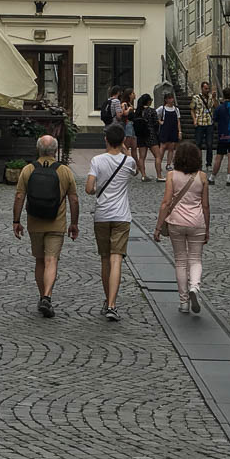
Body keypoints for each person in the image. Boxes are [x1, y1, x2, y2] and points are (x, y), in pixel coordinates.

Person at [13, 135, 79, 319]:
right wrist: (74, 223)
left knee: (40, 260)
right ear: (55, 151)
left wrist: (16, 221)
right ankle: (47, 296)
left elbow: (19, 197)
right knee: (52, 260)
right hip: (56, 223)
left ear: (38, 150)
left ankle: (41, 296)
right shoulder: (64, 171)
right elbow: (73, 199)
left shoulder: (28, 169)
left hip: (35, 222)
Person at [86, 123, 138, 321]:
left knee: (105, 259)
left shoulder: (97, 160)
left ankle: (107, 299)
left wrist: (97, 187)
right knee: (117, 259)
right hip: (122, 216)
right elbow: (136, 170)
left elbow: (89, 188)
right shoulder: (128, 162)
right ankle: (112, 304)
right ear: (122, 141)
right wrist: (124, 148)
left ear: (106, 140)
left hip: (102, 216)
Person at [153, 139, 210, 314]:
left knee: (180, 261)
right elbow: (206, 205)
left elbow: (166, 202)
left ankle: (184, 302)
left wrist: (158, 227)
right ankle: (194, 286)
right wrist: (207, 227)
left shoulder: (171, 176)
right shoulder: (202, 177)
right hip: (197, 222)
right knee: (195, 259)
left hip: (176, 222)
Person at [212, 88, 230, 186]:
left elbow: (214, 119)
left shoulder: (219, 108)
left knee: (219, 157)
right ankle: (229, 178)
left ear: (223, 96)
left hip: (223, 135)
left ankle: (212, 177)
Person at [134, 92, 162, 181]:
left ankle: (143, 175)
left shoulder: (138, 111)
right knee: (157, 156)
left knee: (142, 157)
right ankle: (159, 175)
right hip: (151, 135)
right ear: (149, 101)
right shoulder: (151, 111)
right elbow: (156, 123)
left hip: (141, 136)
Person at [191, 81, 217, 173]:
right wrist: (194, 120)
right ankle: (198, 163)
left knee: (209, 144)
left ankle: (209, 163)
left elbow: (216, 107)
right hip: (200, 123)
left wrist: (214, 98)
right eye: (205, 88)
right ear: (202, 88)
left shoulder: (211, 97)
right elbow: (192, 109)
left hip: (209, 123)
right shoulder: (196, 98)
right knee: (198, 144)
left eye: (208, 88)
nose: (207, 90)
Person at [157, 92, 181, 178]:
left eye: (172, 98)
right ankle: (158, 162)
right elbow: (155, 115)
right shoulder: (162, 108)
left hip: (173, 130)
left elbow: (178, 121)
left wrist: (179, 131)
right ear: (166, 100)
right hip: (165, 130)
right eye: (170, 98)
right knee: (163, 147)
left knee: (171, 147)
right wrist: (160, 121)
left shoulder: (176, 109)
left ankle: (168, 164)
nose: (172, 100)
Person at [122, 89, 137, 162]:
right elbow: (124, 113)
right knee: (127, 145)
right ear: (129, 95)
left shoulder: (130, 104)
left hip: (132, 125)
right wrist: (129, 109)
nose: (134, 94)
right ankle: (124, 160)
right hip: (128, 125)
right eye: (133, 93)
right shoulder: (125, 104)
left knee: (134, 146)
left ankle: (134, 162)